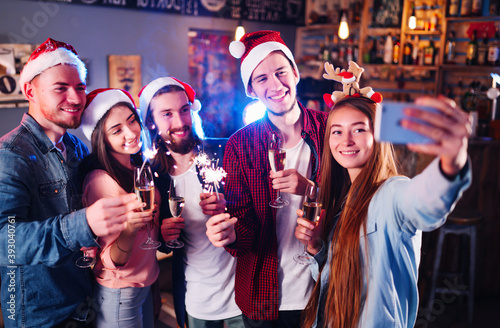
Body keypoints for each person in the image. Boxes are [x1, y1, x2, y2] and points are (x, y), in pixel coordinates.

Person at [0, 38, 143, 328]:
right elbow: (5, 242)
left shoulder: (77, 147)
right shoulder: (10, 154)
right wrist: (83, 225)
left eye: (80, 87)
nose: (77, 99)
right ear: (30, 91)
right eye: (61, 88)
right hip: (40, 315)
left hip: (86, 300)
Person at [295, 95, 472, 328]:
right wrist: (317, 246)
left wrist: (452, 161)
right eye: (336, 131)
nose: (345, 141)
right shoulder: (343, 202)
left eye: (358, 130)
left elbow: (425, 203)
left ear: (378, 136)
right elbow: (337, 282)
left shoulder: (391, 191)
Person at [205, 30, 329, 327]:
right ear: (251, 90)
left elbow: (353, 201)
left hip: (323, 286)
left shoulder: (329, 129)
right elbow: (243, 222)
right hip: (263, 295)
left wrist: (311, 189)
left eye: (280, 72)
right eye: (262, 79)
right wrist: (230, 235)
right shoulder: (240, 145)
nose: (275, 85)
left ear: (296, 73)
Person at [139, 77, 243, 328]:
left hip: (243, 294)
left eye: (184, 110)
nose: (180, 121)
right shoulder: (153, 177)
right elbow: (158, 246)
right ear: (152, 122)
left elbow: (260, 212)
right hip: (197, 299)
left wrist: (229, 205)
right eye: (167, 113)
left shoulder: (226, 152)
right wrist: (162, 235)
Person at [79, 88, 159, 327]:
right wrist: (129, 230)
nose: (131, 132)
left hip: (145, 283)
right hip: (120, 291)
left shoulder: (137, 167)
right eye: (117, 130)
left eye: (132, 120)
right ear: (102, 140)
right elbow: (112, 261)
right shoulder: (101, 182)